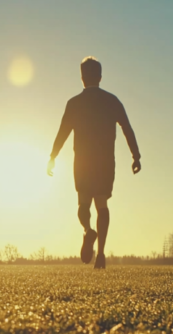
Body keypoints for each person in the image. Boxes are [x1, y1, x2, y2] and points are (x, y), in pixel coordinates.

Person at [47, 56, 142, 269]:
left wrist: (52, 157)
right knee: (102, 205)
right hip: (105, 162)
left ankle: (88, 230)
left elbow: (62, 133)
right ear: (100, 77)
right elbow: (127, 128)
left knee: (83, 203)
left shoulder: (74, 103)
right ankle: (100, 254)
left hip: (82, 161)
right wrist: (136, 156)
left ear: (82, 78)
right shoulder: (112, 101)